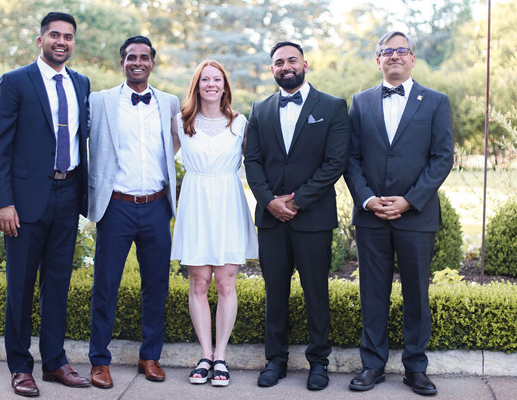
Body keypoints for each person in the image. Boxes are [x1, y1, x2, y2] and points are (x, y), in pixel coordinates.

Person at [344, 31, 454, 396]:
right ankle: (372, 366)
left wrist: (409, 200)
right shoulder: (360, 102)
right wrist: (367, 199)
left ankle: (415, 368)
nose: (394, 56)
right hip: (371, 216)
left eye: (401, 50)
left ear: (413, 59)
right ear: (378, 60)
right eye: (387, 51)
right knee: (372, 293)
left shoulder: (436, 102)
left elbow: (442, 158)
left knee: (416, 295)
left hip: (417, 216)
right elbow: (351, 158)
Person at [0, 11, 91, 397]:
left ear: (73, 43)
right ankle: (19, 366)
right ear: (40, 40)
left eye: (67, 36)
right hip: (26, 201)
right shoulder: (15, 82)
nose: (61, 42)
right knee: (21, 286)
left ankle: (55, 363)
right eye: (54, 35)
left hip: (68, 194)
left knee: (58, 286)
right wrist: (4, 203)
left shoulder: (81, 83)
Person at [244, 41, 350, 390]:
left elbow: (334, 162)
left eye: (291, 60)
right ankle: (275, 360)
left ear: (305, 64)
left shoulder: (333, 106)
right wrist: (269, 200)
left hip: (314, 217)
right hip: (271, 217)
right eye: (278, 62)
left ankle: (318, 362)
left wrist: (298, 201)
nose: (285, 66)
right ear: (272, 69)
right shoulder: (259, 108)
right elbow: (253, 161)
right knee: (275, 292)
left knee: (315, 292)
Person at [86, 36, 180, 388]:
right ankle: (99, 360)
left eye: (144, 57)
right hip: (116, 206)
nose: (137, 62)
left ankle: (150, 356)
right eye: (130, 57)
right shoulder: (100, 101)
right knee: (105, 285)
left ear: (152, 63)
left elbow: (178, 140)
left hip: (156, 206)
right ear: (121, 62)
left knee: (156, 285)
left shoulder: (169, 102)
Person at [170, 60, 259, 387]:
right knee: (199, 282)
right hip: (195, 201)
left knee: (225, 282)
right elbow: (163, 159)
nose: (210, 84)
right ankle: (204, 355)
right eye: (204, 79)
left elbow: (257, 165)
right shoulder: (181, 121)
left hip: (228, 200)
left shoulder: (240, 122)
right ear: (196, 85)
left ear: (224, 86)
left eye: (216, 79)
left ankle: (221, 356)